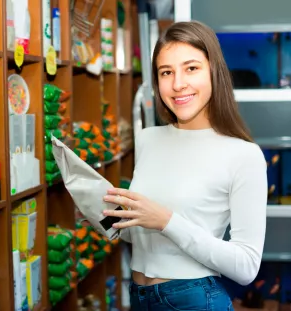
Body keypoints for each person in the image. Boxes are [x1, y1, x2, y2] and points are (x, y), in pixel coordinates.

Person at [102, 20, 268, 311]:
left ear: (214, 72)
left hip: (195, 299)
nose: (178, 84)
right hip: (139, 298)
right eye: (166, 72)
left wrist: (167, 221)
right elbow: (143, 235)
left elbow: (246, 266)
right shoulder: (148, 139)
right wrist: (99, 214)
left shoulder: (244, 155)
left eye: (191, 68)